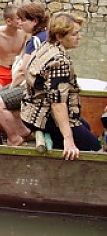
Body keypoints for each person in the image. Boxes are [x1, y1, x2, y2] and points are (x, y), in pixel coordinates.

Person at [21, 12, 102, 160]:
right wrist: (68, 139)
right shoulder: (59, 61)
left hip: (30, 112)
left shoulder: (46, 46)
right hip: (43, 117)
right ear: (59, 36)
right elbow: (57, 103)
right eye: (74, 34)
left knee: (86, 126)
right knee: (95, 150)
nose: (79, 37)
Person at [0, 3, 49, 145]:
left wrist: (12, 86)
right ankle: (24, 132)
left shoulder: (34, 41)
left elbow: (23, 71)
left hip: (37, 88)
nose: (21, 23)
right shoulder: (46, 34)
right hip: (46, 84)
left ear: (35, 21)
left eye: (24, 20)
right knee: (5, 96)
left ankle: (14, 138)